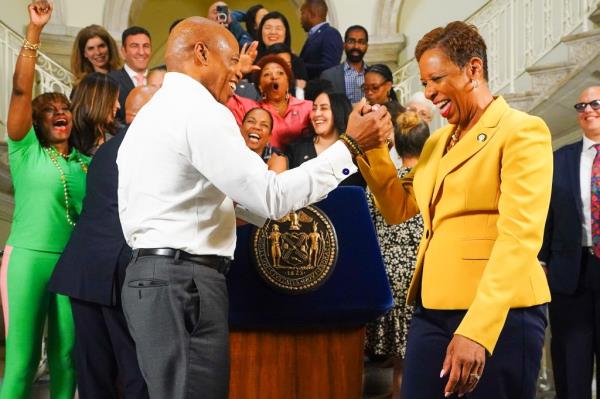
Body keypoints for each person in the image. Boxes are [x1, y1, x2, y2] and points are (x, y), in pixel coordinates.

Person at [116, 17, 391, 398]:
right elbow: (271, 196)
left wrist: (243, 213)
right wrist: (351, 147)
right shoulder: (200, 111)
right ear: (201, 52)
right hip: (185, 283)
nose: (239, 72)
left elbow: (189, 199)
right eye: (232, 61)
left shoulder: (150, 115)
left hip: (154, 280)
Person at [357, 21, 552, 398]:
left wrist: (477, 329)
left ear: (473, 69)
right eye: (425, 83)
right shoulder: (437, 142)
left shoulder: (522, 131)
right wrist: (376, 148)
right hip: (432, 309)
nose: (429, 93)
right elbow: (398, 208)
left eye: (436, 79)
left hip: (501, 314)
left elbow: (519, 237)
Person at [0, 2, 90, 398]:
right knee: (21, 362)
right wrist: (34, 32)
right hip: (27, 260)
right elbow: (22, 89)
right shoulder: (25, 152)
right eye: (50, 110)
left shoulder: (87, 163)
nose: (60, 112)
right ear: (36, 124)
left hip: (71, 265)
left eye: (65, 108)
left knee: (67, 357)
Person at [48, 87, 156, 399]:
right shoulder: (149, 148)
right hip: (118, 270)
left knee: (93, 370)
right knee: (136, 368)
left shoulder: (107, 149)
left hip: (84, 268)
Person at [539, 86, 600, 399]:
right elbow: (546, 214)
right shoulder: (559, 159)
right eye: (581, 105)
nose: (588, 110)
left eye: (595, 104)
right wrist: (542, 260)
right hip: (569, 273)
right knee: (570, 363)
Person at [365, 111, 430, 399]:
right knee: (424, 354)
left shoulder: (379, 183)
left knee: (401, 361)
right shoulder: (432, 181)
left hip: (388, 278)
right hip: (423, 275)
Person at [272, 90, 366, 188]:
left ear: (338, 111)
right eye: (314, 108)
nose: (316, 114)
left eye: (324, 108)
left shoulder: (356, 150)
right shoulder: (296, 149)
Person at [227, 54, 313, 149]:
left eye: (280, 73)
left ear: (288, 82)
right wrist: (237, 70)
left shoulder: (308, 107)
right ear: (260, 87)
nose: (274, 77)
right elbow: (221, 93)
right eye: (267, 74)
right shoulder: (249, 108)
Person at [69, 72, 120, 156]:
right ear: (98, 102)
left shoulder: (118, 134)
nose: (118, 105)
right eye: (114, 99)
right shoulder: (68, 139)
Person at [108, 26, 152, 123]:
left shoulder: (162, 79)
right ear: (123, 51)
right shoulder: (110, 81)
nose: (141, 52)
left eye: (146, 46)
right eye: (134, 46)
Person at [257, 11, 309, 86]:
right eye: (268, 28)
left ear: (286, 33)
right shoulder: (252, 58)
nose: (273, 32)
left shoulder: (296, 62)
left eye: (278, 28)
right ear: (260, 31)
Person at [321, 25, 369, 104]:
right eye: (351, 41)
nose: (356, 46)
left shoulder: (375, 75)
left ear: (367, 46)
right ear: (344, 45)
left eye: (361, 42)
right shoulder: (328, 76)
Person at [299, 0, 343, 79]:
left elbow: (329, 68)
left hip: (322, 89)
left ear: (311, 14)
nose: (301, 18)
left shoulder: (330, 34)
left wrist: (298, 66)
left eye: (302, 13)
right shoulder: (314, 35)